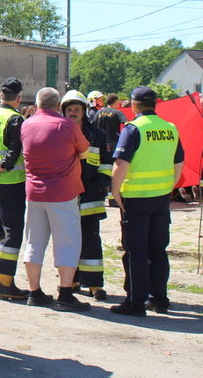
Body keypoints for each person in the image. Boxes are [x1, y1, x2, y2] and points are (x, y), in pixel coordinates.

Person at [110, 86, 184, 317]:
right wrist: (168, 187)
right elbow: (179, 163)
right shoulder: (170, 128)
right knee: (158, 250)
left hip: (135, 198)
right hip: (160, 198)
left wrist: (115, 192)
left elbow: (121, 164)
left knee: (136, 251)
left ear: (134, 105)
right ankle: (159, 299)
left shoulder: (133, 129)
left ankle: (135, 302)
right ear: (155, 104)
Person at [20, 87, 91, 311]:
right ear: (58, 106)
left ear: (37, 105)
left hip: (34, 192)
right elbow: (84, 151)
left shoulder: (26, 124)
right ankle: (65, 294)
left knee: (33, 242)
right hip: (63, 192)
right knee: (67, 243)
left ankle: (34, 292)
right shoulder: (67, 125)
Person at [0, 78, 30, 301]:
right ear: (19, 98)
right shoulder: (16, 119)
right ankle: (4, 281)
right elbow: (14, 152)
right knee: (11, 230)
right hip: (12, 182)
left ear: (1, 96)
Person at [61, 90, 113, 301]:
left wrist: (99, 185)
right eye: (69, 109)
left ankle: (94, 284)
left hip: (91, 196)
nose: (73, 113)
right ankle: (71, 280)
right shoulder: (58, 133)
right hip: (66, 197)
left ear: (84, 111)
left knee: (91, 240)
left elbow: (107, 163)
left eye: (77, 109)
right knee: (68, 241)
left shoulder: (97, 135)